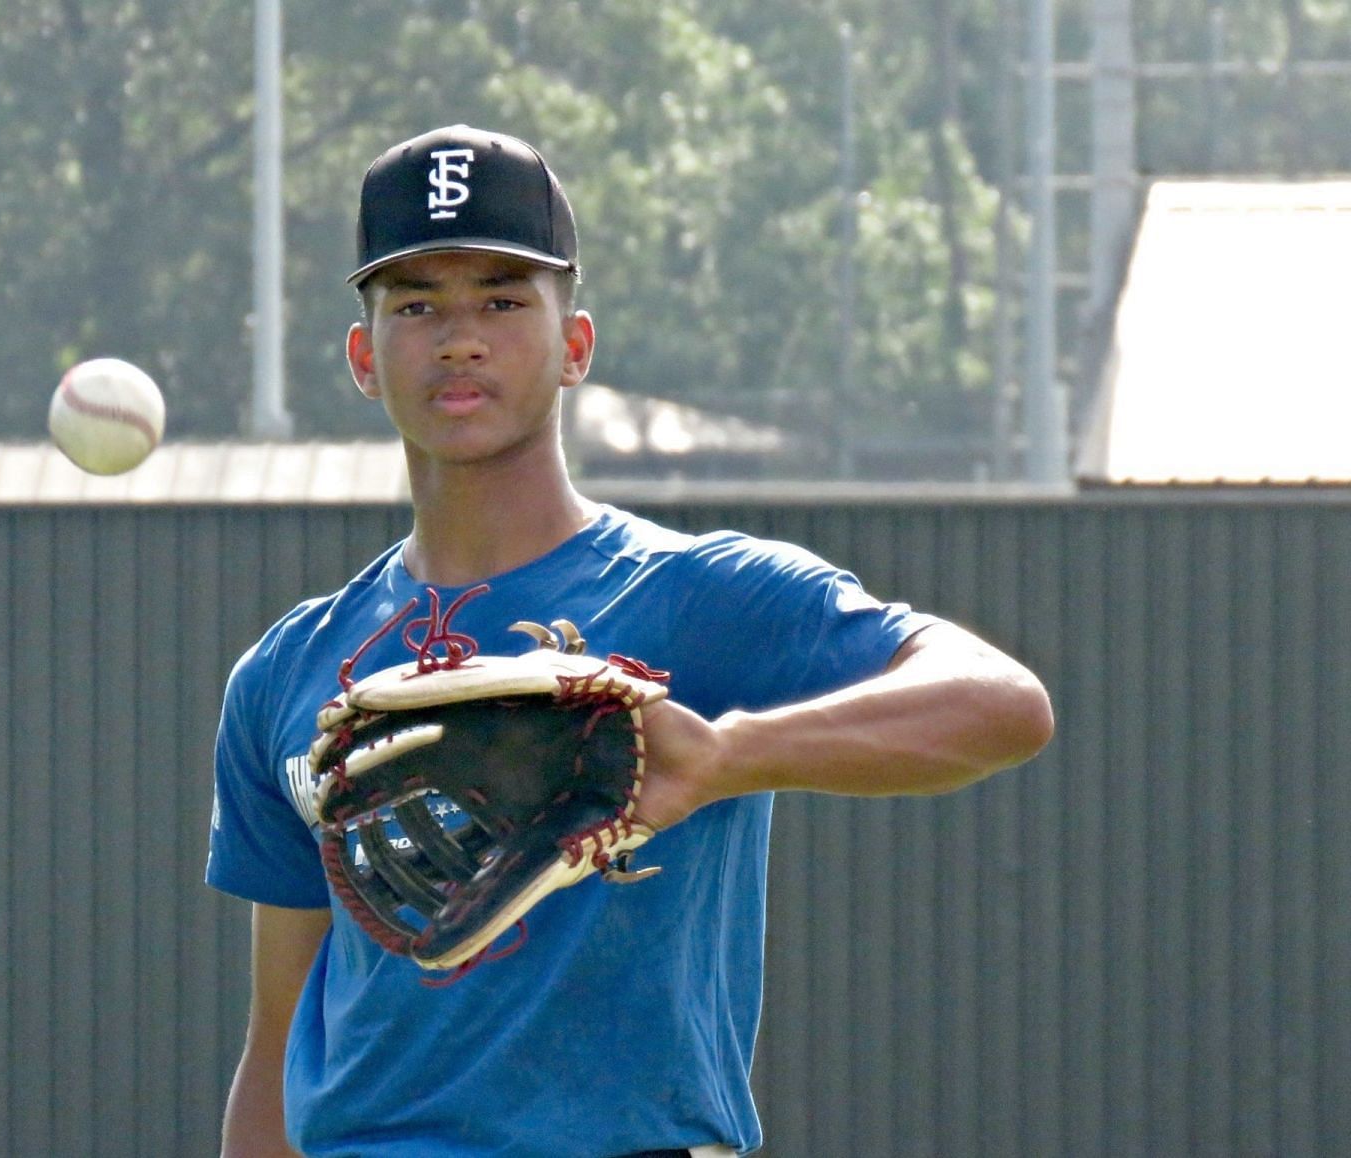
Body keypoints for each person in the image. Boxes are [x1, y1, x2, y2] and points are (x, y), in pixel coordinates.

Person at [206, 124, 1053, 1158]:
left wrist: (727, 758)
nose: (459, 337)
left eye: (504, 300)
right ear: (362, 358)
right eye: (417, 303)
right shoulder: (288, 674)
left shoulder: (701, 599)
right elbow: (282, 1040)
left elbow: (1002, 705)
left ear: (575, 347)